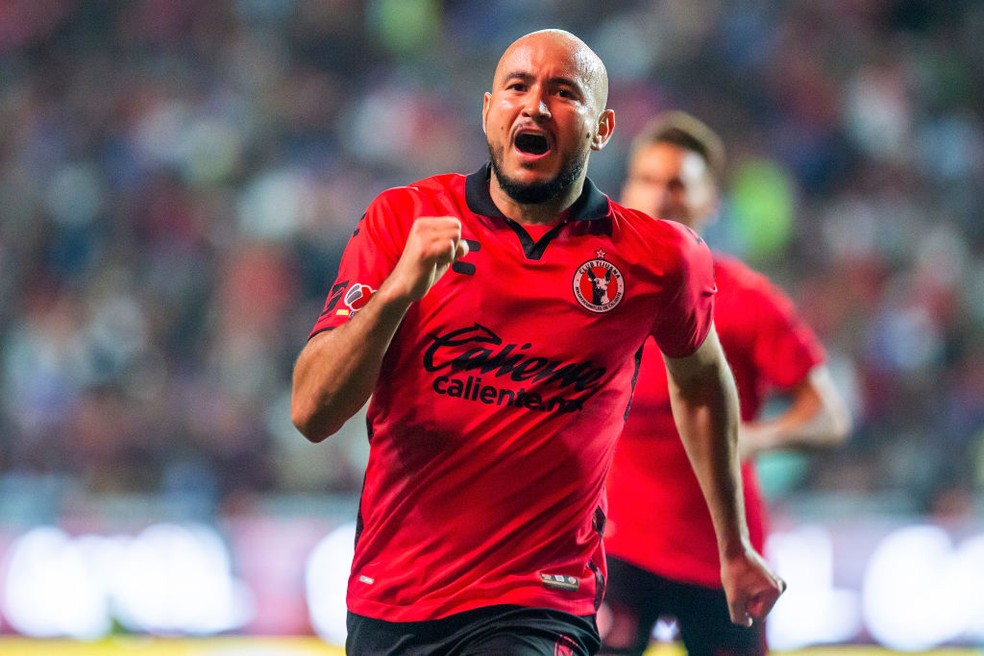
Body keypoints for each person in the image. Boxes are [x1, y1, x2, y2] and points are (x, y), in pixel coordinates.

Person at [291, 31, 785, 656]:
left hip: (542, 602)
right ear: (488, 111)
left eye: (564, 93)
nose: (535, 106)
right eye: (518, 87)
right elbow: (311, 412)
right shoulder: (403, 220)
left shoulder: (658, 258)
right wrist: (396, 293)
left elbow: (704, 385)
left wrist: (732, 545)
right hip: (392, 597)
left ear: (602, 129)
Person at [599, 112, 852, 656]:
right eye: (646, 180)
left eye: (677, 184)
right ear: (625, 193)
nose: (659, 197)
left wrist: (756, 438)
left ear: (710, 203)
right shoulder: (598, 291)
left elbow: (829, 414)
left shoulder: (744, 299)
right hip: (617, 549)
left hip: (720, 555)